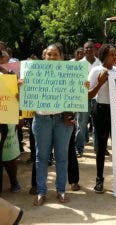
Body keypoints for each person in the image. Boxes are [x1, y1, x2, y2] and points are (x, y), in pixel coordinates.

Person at [23, 44, 74, 206]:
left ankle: (61, 190)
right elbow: (22, 99)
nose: (52, 57)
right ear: (44, 57)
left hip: (62, 120)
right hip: (41, 119)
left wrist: (83, 87)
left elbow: (76, 98)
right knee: (41, 157)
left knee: (62, 157)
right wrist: (22, 87)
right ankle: (41, 192)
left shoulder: (69, 75)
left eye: (55, 54)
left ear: (61, 57)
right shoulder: (33, 74)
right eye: (49, 54)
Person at [88, 44, 116, 193]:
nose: (115, 57)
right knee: (101, 147)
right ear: (104, 56)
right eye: (112, 54)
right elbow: (88, 95)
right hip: (100, 110)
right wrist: (100, 83)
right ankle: (99, 180)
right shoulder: (96, 71)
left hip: (115, 111)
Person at [76, 41, 101, 157]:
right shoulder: (79, 64)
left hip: (97, 98)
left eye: (91, 48)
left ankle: (98, 148)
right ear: (84, 50)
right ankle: (79, 149)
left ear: (95, 50)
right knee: (81, 124)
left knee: (97, 125)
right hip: (83, 98)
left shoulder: (100, 63)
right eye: (86, 48)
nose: (88, 50)